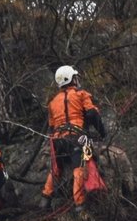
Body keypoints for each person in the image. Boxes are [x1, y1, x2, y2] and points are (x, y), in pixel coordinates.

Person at [42, 65, 107, 211]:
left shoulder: (52, 102)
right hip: (76, 138)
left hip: (58, 140)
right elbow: (92, 114)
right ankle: (80, 203)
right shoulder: (81, 94)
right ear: (72, 79)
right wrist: (102, 133)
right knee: (79, 168)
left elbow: (52, 127)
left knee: (56, 169)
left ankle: (45, 197)